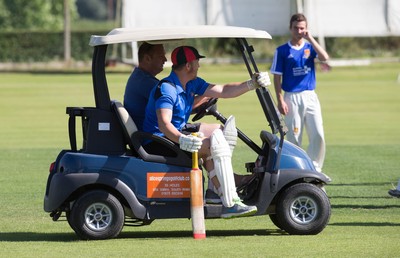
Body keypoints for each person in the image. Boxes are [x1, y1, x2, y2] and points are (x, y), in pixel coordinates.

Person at [143, 46, 271, 218]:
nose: (199, 65)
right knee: (214, 144)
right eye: (197, 61)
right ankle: (230, 201)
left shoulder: (191, 83)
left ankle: (214, 192)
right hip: (158, 141)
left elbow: (224, 90)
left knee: (223, 132)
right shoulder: (167, 88)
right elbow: (164, 124)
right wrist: (182, 139)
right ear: (188, 65)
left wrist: (251, 84)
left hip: (175, 133)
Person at [270, 13, 330, 172]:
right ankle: (296, 170)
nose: (299, 31)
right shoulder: (282, 50)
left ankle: (314, 169)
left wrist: (311, 39)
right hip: (291, 97)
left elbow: (325, 57)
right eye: (296, 28)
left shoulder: (310, 47)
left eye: (302, 28)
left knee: (318, 134)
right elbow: (277, 77)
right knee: (294, 137)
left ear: (306, 29)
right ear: (291, 28)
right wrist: (280, 99)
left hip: (310, 96)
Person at [124, 42, 167, 130]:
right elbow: (178, 106)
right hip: (153, 137)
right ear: (147, 58)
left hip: (152, 133)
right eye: (160, 56)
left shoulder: (140, 77)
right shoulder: (145, 82)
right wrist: (202, 99)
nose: (165, 59)